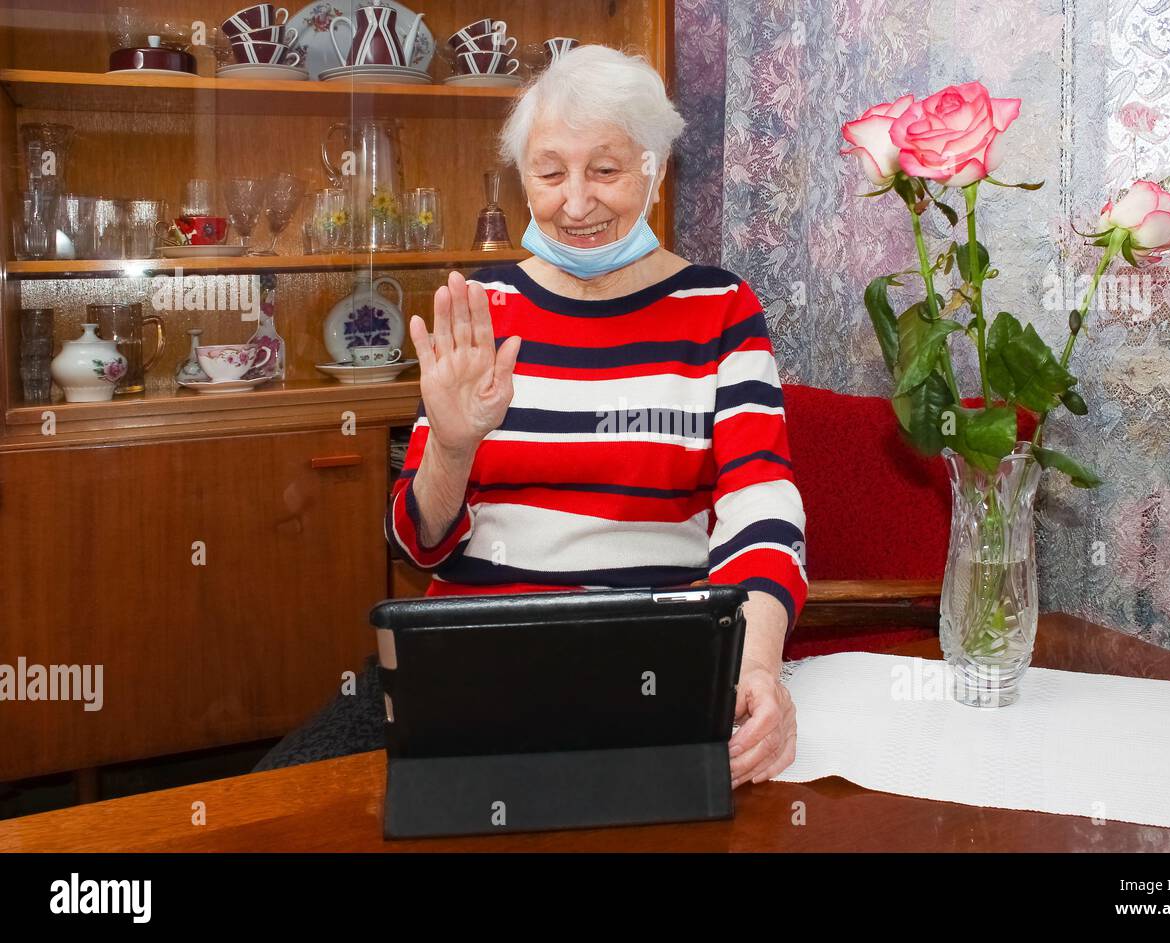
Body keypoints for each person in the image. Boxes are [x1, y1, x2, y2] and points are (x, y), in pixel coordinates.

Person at [259, 45, 807, 788]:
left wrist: (761, 669)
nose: (575, 203)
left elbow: (761, 512)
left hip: (649, 663)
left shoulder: (719, 309)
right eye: (551, 174)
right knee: (280, 802)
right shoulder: (483, 310)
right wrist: (451, 446)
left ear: (656, 167)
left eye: (606, 171)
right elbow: (419, 544)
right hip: (469, 658)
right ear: (525, 180)